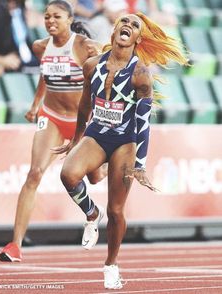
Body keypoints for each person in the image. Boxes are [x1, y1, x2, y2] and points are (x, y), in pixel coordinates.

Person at [52, 12, 188, 289]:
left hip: (125, 142)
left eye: (135, 25)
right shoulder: (92, 65)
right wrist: (76, 139)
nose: (128, 25)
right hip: (97, 134)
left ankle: (111, 264)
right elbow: (84, 105)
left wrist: (140, 163)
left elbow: (144, 123)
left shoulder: (140, 76)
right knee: (68, 174)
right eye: (124, 22)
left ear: (138, 38)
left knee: (116, 211)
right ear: (114, 31)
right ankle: (91, 214)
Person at [0, 0, 106, 262]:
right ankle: (15, 245)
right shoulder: (40, 46)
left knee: (95, 178)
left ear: (69, 19)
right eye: (46, 17)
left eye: (56, 16)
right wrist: (36, 104)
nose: (50, 21)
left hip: (83, 121)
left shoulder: (83, 46)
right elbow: (45, 74)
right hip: (53, 118)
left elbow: (106, 68)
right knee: (34, 174)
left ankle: (92, 211)